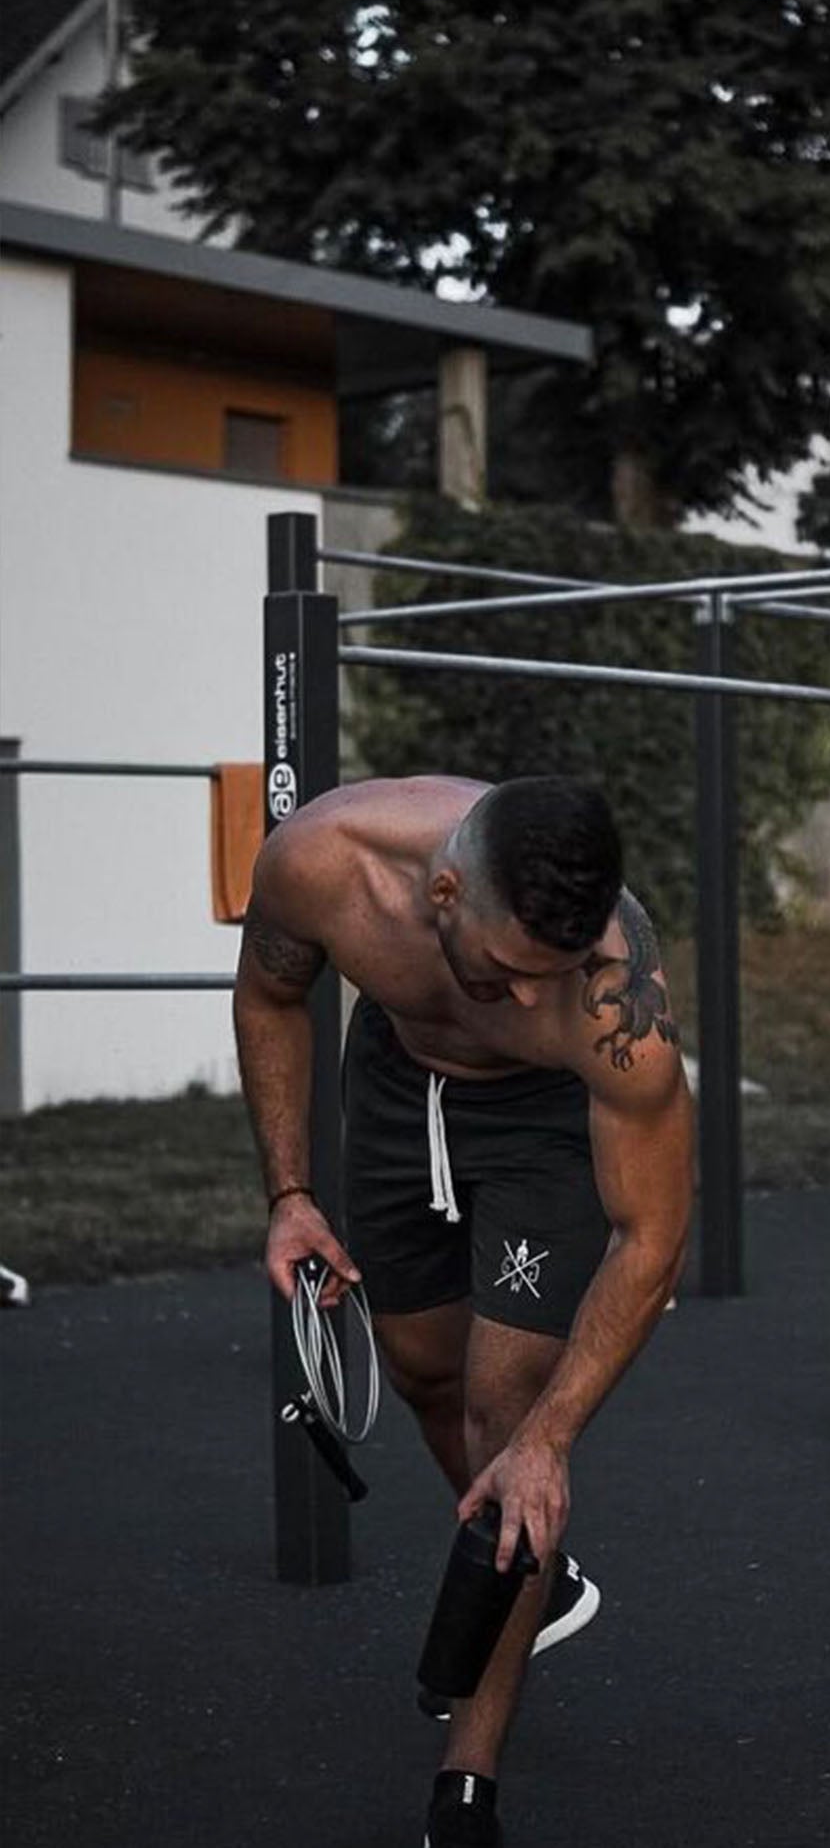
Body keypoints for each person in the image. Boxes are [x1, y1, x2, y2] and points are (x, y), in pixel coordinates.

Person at [234, 774, 692, 1848]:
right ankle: (538, 1573)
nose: (536, 1000)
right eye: (508, 971)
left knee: (505, 1408)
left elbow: (652, 1239)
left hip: (539, 1127)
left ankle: (468, 1778)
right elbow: (268, 997)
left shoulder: (612, 1004)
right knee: (425, 1374)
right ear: (443, 894)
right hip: (396, 1087)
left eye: (556, 976)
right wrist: (290, 1197)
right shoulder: (319, 863)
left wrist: (551, 1441)